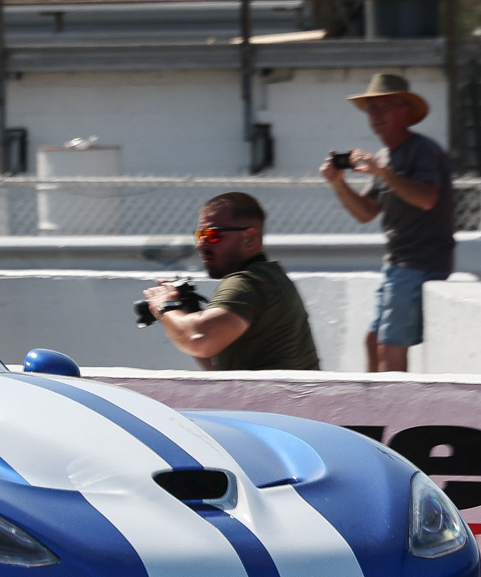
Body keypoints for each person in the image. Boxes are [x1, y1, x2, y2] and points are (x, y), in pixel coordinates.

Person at [320, 72, 456, 373]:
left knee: (389, 347)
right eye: (371, 108)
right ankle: (373, 403)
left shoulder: (422, 150)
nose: (375, 114)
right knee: (373, 342)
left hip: (420, 264)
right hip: (399, 266)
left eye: (383, 106)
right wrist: (338, 182)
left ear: (405, 110)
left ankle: (392, 404)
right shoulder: (386, 156)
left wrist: (383, 173)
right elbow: (366, 213)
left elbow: (426, 199)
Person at [142, 191, 320, 371]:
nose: (201, 245)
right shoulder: (270, 277)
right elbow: (215, 363)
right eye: (200, 235)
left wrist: (164, 306)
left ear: (249, 239)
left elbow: (199, 340)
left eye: (212, 235)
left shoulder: (247, 282)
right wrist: (187, 312)